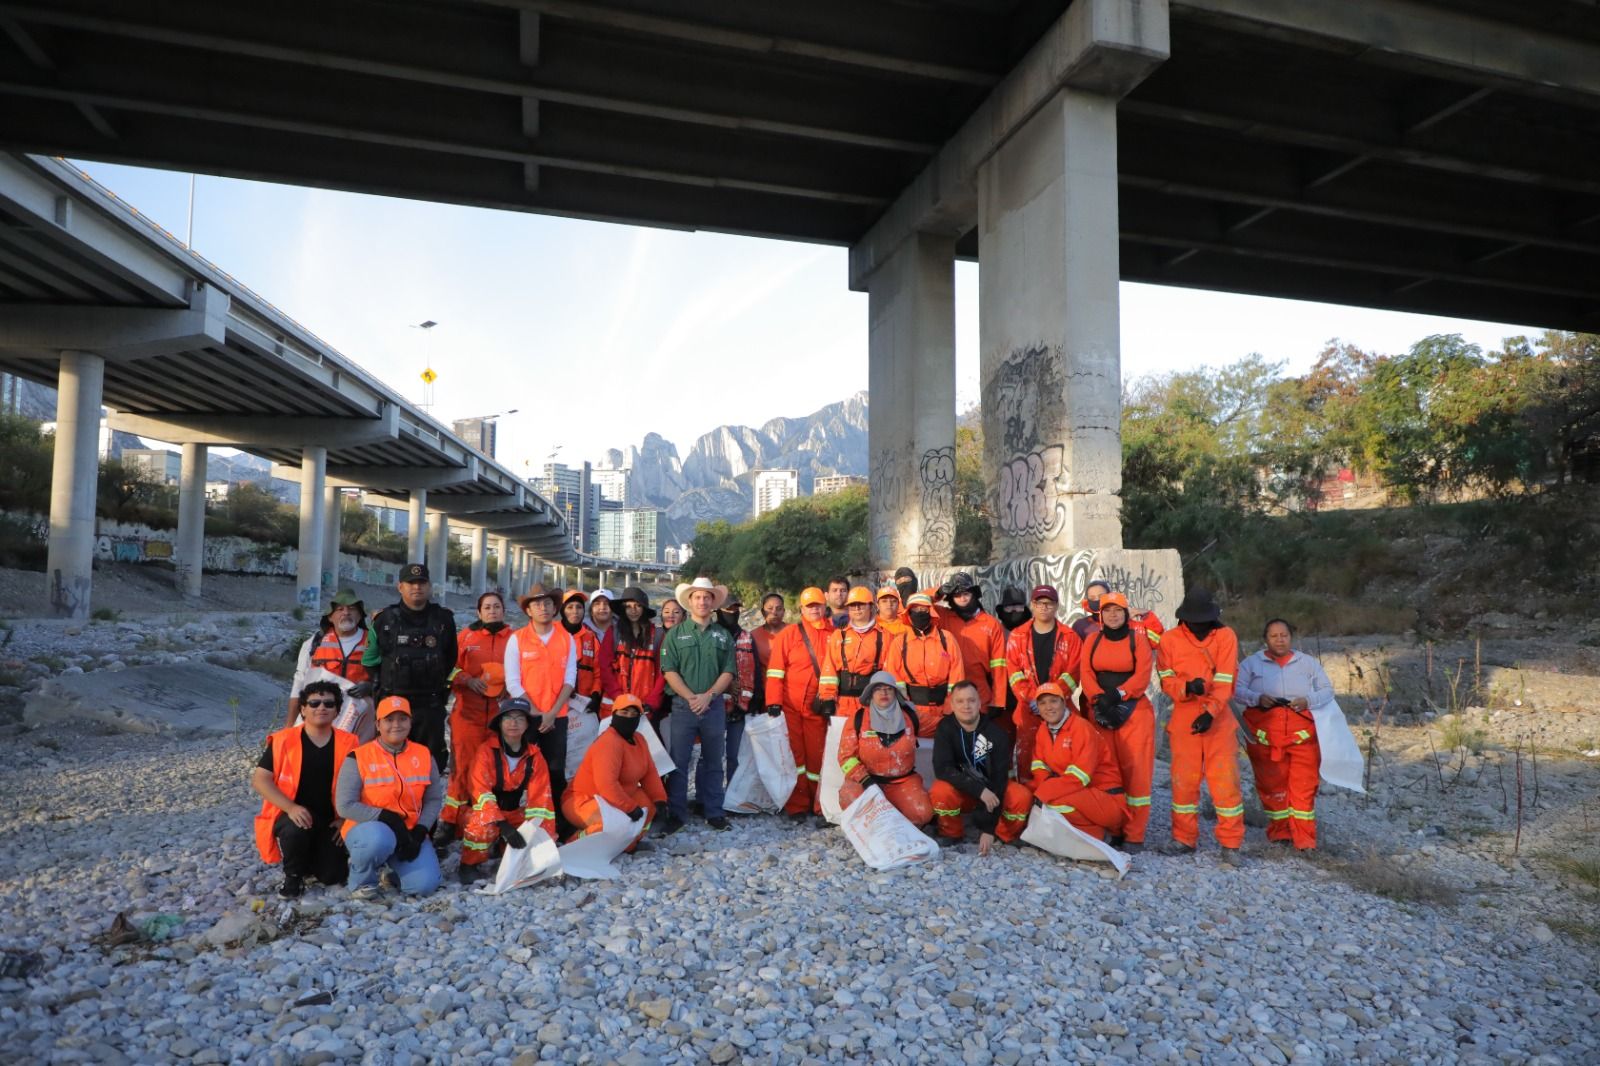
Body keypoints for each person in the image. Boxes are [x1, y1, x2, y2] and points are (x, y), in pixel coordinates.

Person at [1156, 588, 1244, 863]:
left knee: (1225, 781)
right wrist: (1185, 687)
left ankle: (1231, 844)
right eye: (1193, 620)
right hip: (1183, 716)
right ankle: (1183, 839)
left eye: (1202, 620)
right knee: (1183, 783)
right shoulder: (1169, 640)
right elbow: (1166, 681)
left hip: (1219, 719)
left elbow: (1226, 680)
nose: (1198, 626)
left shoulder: (1225, 636)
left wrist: (1210, 712)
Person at [1234, 619, 1335, 852]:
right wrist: (1257, 698)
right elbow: (1236, 691)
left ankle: (1305, 842)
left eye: (1284, 635)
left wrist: (1308, 700)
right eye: (1274, 636)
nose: (1280, 640)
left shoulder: (1308, 663)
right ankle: (1280, 834)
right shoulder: (1251, 664)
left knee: (1304, 787)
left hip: (1302, 736)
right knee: (1271, 786)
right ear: (1265, 639)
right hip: (1265, 736)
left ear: (1291, 637)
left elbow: (1327, 690)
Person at [253, 680, 360, 897]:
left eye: (329, 704)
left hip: (331, 819)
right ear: (303, 709)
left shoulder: (351, 743)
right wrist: (291, 808)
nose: (322, 707)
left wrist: (347, 819)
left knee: (333, 876)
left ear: (337, 710)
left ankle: (311, 860)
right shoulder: (283, 740)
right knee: (295, 828)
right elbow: (260, 780)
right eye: (314, 703)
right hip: (292, 814)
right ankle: (293, 878)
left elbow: (362, 785)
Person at [362, 563, 458, 794]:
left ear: (429, 587)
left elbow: (451, 658)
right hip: (394, 704)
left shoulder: (444, 620)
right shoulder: (384, 620)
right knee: (390, 762)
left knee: (430, 763)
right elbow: (370, 659)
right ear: (400, 587)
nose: (417, 587)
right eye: (411, 583)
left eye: (422, 583)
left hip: (429, 705)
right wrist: (382, 687)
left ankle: (425, 824)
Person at [336, 696, 445, 899]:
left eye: (402, 719)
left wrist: (420, 832)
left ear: (411, 722)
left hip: (410, 833)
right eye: (389, 719)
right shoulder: (358, 757)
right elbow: (345, 806)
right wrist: (388, 817)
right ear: (378, 724)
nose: (396, 724)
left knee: (424, 886)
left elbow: (433, 800)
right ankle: (362, 881)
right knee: (378, 840)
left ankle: (392, 873)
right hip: (370, 831)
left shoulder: (424, 755)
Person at [1077, 593, 1155, 852]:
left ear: (1126, 613)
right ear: (1100, 615)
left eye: (1118, 610)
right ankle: (1113, 827)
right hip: (1101, 711)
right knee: (1107, 772)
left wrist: (1118, 695)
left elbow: (1143, 675)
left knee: (1137, 774)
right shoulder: (1092, 640)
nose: (1113, 615)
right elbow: (1085, 673)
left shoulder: (1138, 639)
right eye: (1107, 610)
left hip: (1135, 712)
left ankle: (1135, 834)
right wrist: (1098, 699)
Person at [1000, 683, 1127, 843]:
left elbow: (1079, 777)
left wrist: (1044, 792)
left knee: (1053, 803)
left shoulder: (1081, 728)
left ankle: (1101, 834)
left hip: (1106, 799)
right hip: (1075, 791)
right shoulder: (1043, 730)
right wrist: (1036, 789)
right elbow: (1039, 766)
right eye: (1043, 703)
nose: (1048, 707)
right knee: (1025, 795)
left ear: (1063, 702)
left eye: (1053, 701)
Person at [659, 576, 738, 833]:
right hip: (683, 707)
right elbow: (669, 670)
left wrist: (708, 696)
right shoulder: (675, 634)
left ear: (713, 602)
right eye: (697, 597)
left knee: (714, 761)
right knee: (679, 762)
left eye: (707, 597)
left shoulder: (723, 636)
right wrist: (691, 697)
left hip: (713, 706)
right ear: (689, 601)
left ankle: (714, 812)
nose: (702, 601)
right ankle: (677, 814)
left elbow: (728, 671)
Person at [503, 584, 577, 838]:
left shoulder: (566, 638)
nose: (543, 608)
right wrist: (535, 711)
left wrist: (552, 712)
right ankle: (510, 823)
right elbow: (512, 681)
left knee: (555, 771)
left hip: (558, 716)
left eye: (547, 603)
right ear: (528, 610)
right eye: (537, 604)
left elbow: (570, 679)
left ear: (555, 608)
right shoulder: (517, 639)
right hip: (525, 717)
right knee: (518, 770)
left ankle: (559, 825)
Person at [457, 697, 555, 883]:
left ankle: (503, 847)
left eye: (520, 718)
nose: (513, 723)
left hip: (514, 811)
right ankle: (468, 864)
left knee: (540, 834)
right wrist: (503, 826)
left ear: (527, 725)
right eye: (508, 718)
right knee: (481, 827)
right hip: (483, 810)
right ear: (500, 724)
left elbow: (541, 800)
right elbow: (480, 793)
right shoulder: (485, 752)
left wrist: (540, 836)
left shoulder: (535, 756)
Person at [440, 592, 512, 836]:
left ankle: (488, 817)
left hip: (501, 716)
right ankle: (451, 821)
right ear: (479, 612)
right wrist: (466, 680)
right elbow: (448, 669)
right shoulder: (465, 638)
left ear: (504, 610)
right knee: (461, 768)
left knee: (497, 769)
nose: (492, 611)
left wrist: (509, 689)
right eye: (487, 607)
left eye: (497, 606)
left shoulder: (514, 639)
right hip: (467, 714)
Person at [930, 680, 1031, 854]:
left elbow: (1000, 780)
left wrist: (988, 829)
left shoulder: (997, 733)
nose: (966, 706)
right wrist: (979, 790)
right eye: (960, 701)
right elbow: (943, 768)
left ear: (980, 703)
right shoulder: (945, 728)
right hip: (965, 790)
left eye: (971, 700)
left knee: (1021, 796)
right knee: (940, 790)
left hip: (992, 791)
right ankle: (951, 833)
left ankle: (1004, 834)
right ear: (952, 705)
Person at [763, 587, 834, 821]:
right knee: (794, 758)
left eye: (817, 605)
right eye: (809, 606)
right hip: (791, 707)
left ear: (824, 607)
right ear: (801, 609)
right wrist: (773, 702)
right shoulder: (789, 634)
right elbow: (775, 670)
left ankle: (819, 805)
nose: (814, 609)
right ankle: (797, 806)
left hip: (819, 709)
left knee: (818, 758)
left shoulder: (835, 634)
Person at [562, 694, 667, 852]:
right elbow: (606, 784)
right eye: (624, 713)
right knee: (613, 823)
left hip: (618, 795)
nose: (629, 718)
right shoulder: (609, 743)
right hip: (584, 800)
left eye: (634, 715)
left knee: (649, 808)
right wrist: (630, 808)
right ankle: (572, 843)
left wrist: (660, 799)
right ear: (614, 714)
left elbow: (649, 773)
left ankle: (628, 844)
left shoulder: (639, 739)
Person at [1004, 584, 1084, 783]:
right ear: (1032, 605)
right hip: (1028, 711)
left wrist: (1051, 701)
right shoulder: (1017, 636)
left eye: (1049, 603)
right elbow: (1014, 674)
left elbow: (1073, 674)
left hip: (1061, 710)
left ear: (1057, 606)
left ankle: (1057, 804)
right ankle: (1027, 807)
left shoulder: (1070, 637)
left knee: (1062, 761)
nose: (1044, 607)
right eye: (1039, 603)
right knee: (1027, 761)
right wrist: (1033, 700)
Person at [836, 672, 932, 826]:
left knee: (922, 813)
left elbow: (942, 726)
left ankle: (892, 818)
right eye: (878, 689)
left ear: (896, 693)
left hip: (903, 781)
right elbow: (845, 758)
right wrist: (865, 780)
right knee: (850, 797)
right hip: (866, 782)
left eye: (889, 689)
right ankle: (873, 824)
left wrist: (967, 717)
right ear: (870, 694)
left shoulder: (911, 717)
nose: (884, 693)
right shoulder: (857, 719)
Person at [285, 589, 370, 730]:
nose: (346, 612)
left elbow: (387, 678)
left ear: (360, 615)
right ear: (330, 617)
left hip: (356, 717)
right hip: (319, 714)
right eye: (340, 609)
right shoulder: (313, 644)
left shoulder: (373, 642)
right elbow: (299, 684)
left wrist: (370, 687)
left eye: (352, 609)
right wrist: (289, 725)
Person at [884, 593, 965, 737]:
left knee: (943, 752)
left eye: (924, 610)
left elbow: (957, 678)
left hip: (943, 710)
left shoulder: (947, 639)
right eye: (915, 610)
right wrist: (906, 709)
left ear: (931, 612)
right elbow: (894, 679)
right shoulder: (899, 643)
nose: (919, 614)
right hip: (913, 711)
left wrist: (950, 709)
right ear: (908, 614)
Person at [936, 573, 1008, 724]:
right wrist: (938, 592)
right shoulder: (943, 618)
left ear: (974, 594)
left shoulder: (991, 624)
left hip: (980, 692)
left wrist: (999, 700)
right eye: (957, 595)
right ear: (950, 598)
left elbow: (999, 665)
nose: (962, 598)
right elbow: (917, 604)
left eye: (966, 593)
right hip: (949, 694)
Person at [818, 586, 889, 721]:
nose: (856, 609)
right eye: (852, 605)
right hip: (843, 704)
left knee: (870, 741)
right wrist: (827, 698)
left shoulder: (885, 636)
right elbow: (829, 670)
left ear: (871, 607)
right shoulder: (838, 635)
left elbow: (889, 672)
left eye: (861, 605)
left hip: (872, 702)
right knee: (842, 741)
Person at [717, 593, 757, 784]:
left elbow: (754, 671)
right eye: (728, 609)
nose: (733, 613)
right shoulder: (710, 635)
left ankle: (732, 796)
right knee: (710, 756)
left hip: (740, 708)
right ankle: (706, 799)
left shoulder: (747, 637)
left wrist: (746, 704)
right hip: (713, 706)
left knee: (735, 755)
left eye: (736, 610)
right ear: (718, 611)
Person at [607, 587, 663, 720]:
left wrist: (652, 701)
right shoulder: (613, 632)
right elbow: (605, 667)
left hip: (645, 707)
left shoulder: (658, 636)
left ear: (644, 609)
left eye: (638, 606)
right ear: (623, 609)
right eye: (629, 606)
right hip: (618, 705)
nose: (633, 610)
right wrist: (618, 696)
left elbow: (663, 672)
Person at [559, 590, 605, 712]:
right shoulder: (553, 635)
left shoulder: (591, 638)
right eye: (570, 607)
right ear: (562, 610)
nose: (575, 611)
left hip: (584, 704)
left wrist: (595, 695)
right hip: (556, 703)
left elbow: (598, 672)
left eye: (579, 607)